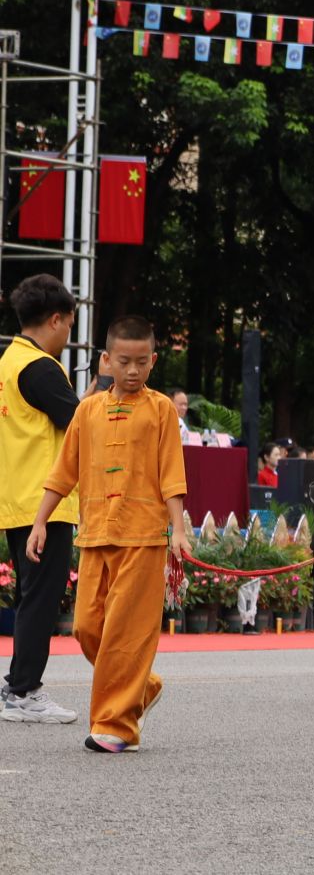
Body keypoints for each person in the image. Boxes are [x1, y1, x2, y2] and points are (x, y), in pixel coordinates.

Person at [25, 316, 192, 752]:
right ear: (106, 360)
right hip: (96, 534)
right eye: (124, 361)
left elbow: (172, 474)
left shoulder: (160, 411)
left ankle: (115, 727)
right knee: (86, 628)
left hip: (144, 537)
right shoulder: (87, 409)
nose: (133, 370)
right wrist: (40, 520)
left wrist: (178, 529)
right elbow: (64, 470)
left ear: (153, 361)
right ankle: (141, 687)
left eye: (141, 362)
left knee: (125, 634)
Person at [2, 274, 83, 724]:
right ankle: (24, 691)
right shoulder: (40, 367)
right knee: (41, 596)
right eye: (69, 326)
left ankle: (16, 684)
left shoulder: (7, 362)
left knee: (30, 594)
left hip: (17, 498)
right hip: (45, 503)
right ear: (55, 320)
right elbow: (81, 425)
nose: (68, 335)